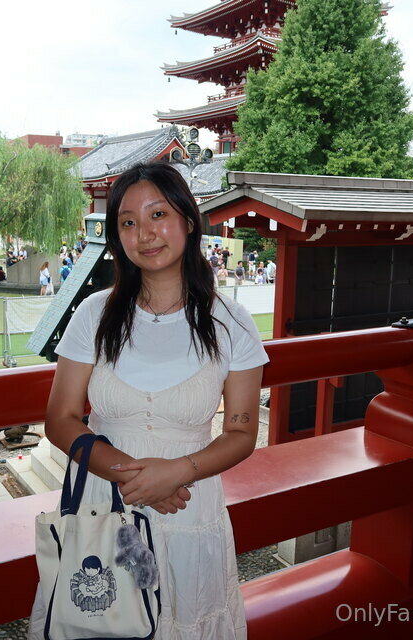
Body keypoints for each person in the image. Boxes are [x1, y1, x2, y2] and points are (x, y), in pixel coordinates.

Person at [28, 161, 267, 640]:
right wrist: (135, 478)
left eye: (158, 214)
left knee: (187, 619)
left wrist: (177, 471)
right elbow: (61, 418)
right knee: (106, 618)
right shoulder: (93, 315)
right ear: (117, 236)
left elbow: (242, 432)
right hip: (105, 500)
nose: (145, 234)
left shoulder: (231, 322)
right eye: (128, 222)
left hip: (188, 502)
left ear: (188, 220)